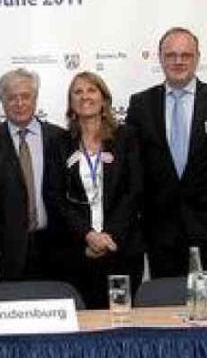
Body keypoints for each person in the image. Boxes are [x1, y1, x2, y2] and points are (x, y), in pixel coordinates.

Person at [126, 27, 207, 277]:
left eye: (185, 55)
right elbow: (134, 167)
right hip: (161, 233)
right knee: (167, 308)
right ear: (159, 58)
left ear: (197, 58)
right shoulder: (141, 105)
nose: (178, 61)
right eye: (170, 55)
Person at [45, 71, 144, 308]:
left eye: (91, 90)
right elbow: (55, 196)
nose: (85, 96)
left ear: (104, 99)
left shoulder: (126, 137)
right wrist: (88, 236)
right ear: (70, 102)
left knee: (122, 323)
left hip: (122, 250)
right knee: (83, 326)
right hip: (77, 252)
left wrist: (108, 237)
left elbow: (134, 191)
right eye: (77, 92)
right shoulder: (59, 142)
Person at [0, 68, 65, 283]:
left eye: (25, 96)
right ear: (2, 101)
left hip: (56, 249)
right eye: (11, 98)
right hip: (5, 253)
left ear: (36, 98)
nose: (19, 103)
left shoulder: (59, 137)